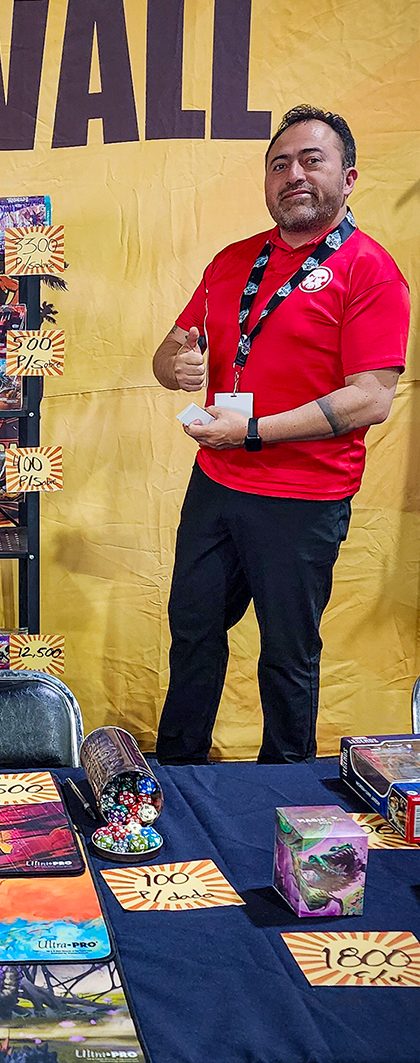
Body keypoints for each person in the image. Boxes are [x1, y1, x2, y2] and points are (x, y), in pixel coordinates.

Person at [152, 104, 410, 765]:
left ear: (347, 178)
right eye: (279, 164)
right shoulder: (232, 261)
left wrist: (252, 431)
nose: (293, 174)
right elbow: (169, 353)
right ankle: (174, 777)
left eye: (311, 160)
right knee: (193, 635)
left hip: (304, 497)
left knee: (287, 657)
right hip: (217, 484)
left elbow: (371, 398)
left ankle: (283, 793)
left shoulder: (370, 270)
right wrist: (176, 364)